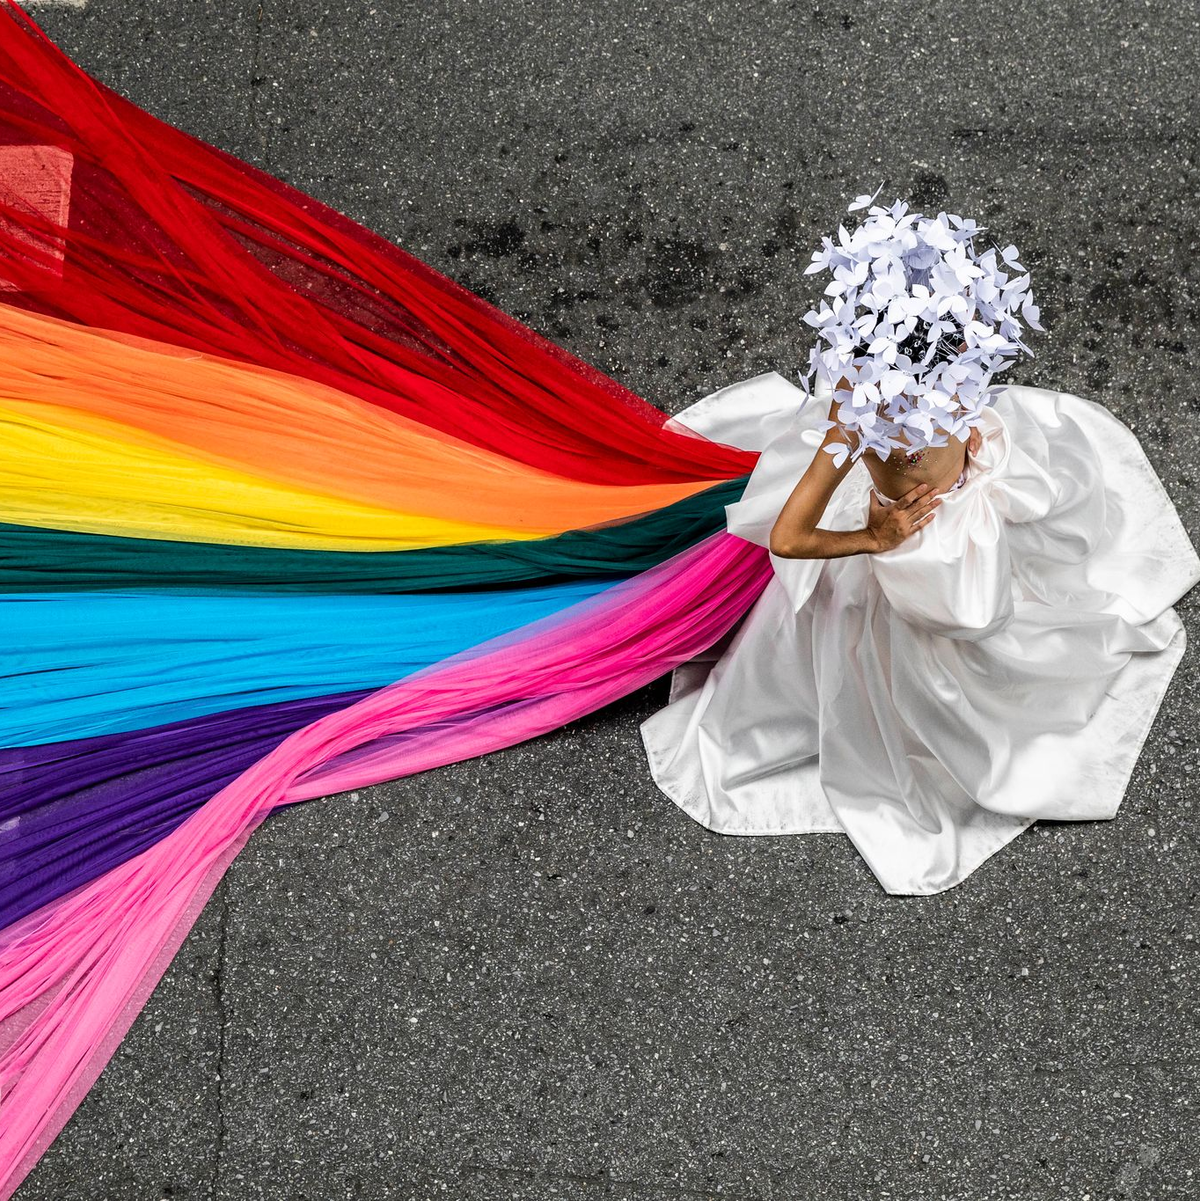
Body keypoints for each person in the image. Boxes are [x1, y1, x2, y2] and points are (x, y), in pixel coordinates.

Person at [640, 197, 1200, 896]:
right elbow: (788, 535)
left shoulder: (956, 366)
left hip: (967, 524)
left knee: (1009, 618)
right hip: (912, 552)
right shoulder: (856, 416)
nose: (935, 392)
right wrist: (872, 537)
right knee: (939, 651)